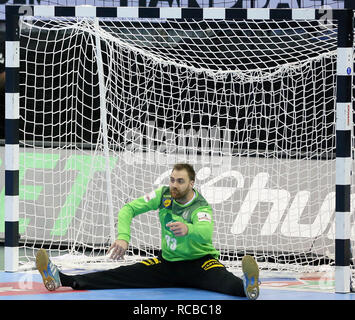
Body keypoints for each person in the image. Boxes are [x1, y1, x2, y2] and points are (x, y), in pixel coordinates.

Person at [36, 163, 260, 299]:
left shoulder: (200, 206)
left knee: (228, 284)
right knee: (117, 275)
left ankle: (248, 286)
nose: (174, 185)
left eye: (180, 181)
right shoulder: (163, 195)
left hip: (200, 264)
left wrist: (187, 228)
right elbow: (129, 209)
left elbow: (205, 231)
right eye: (172, 180)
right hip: (167, 264)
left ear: (192, 183)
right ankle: (60, 279)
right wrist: (123, 237)